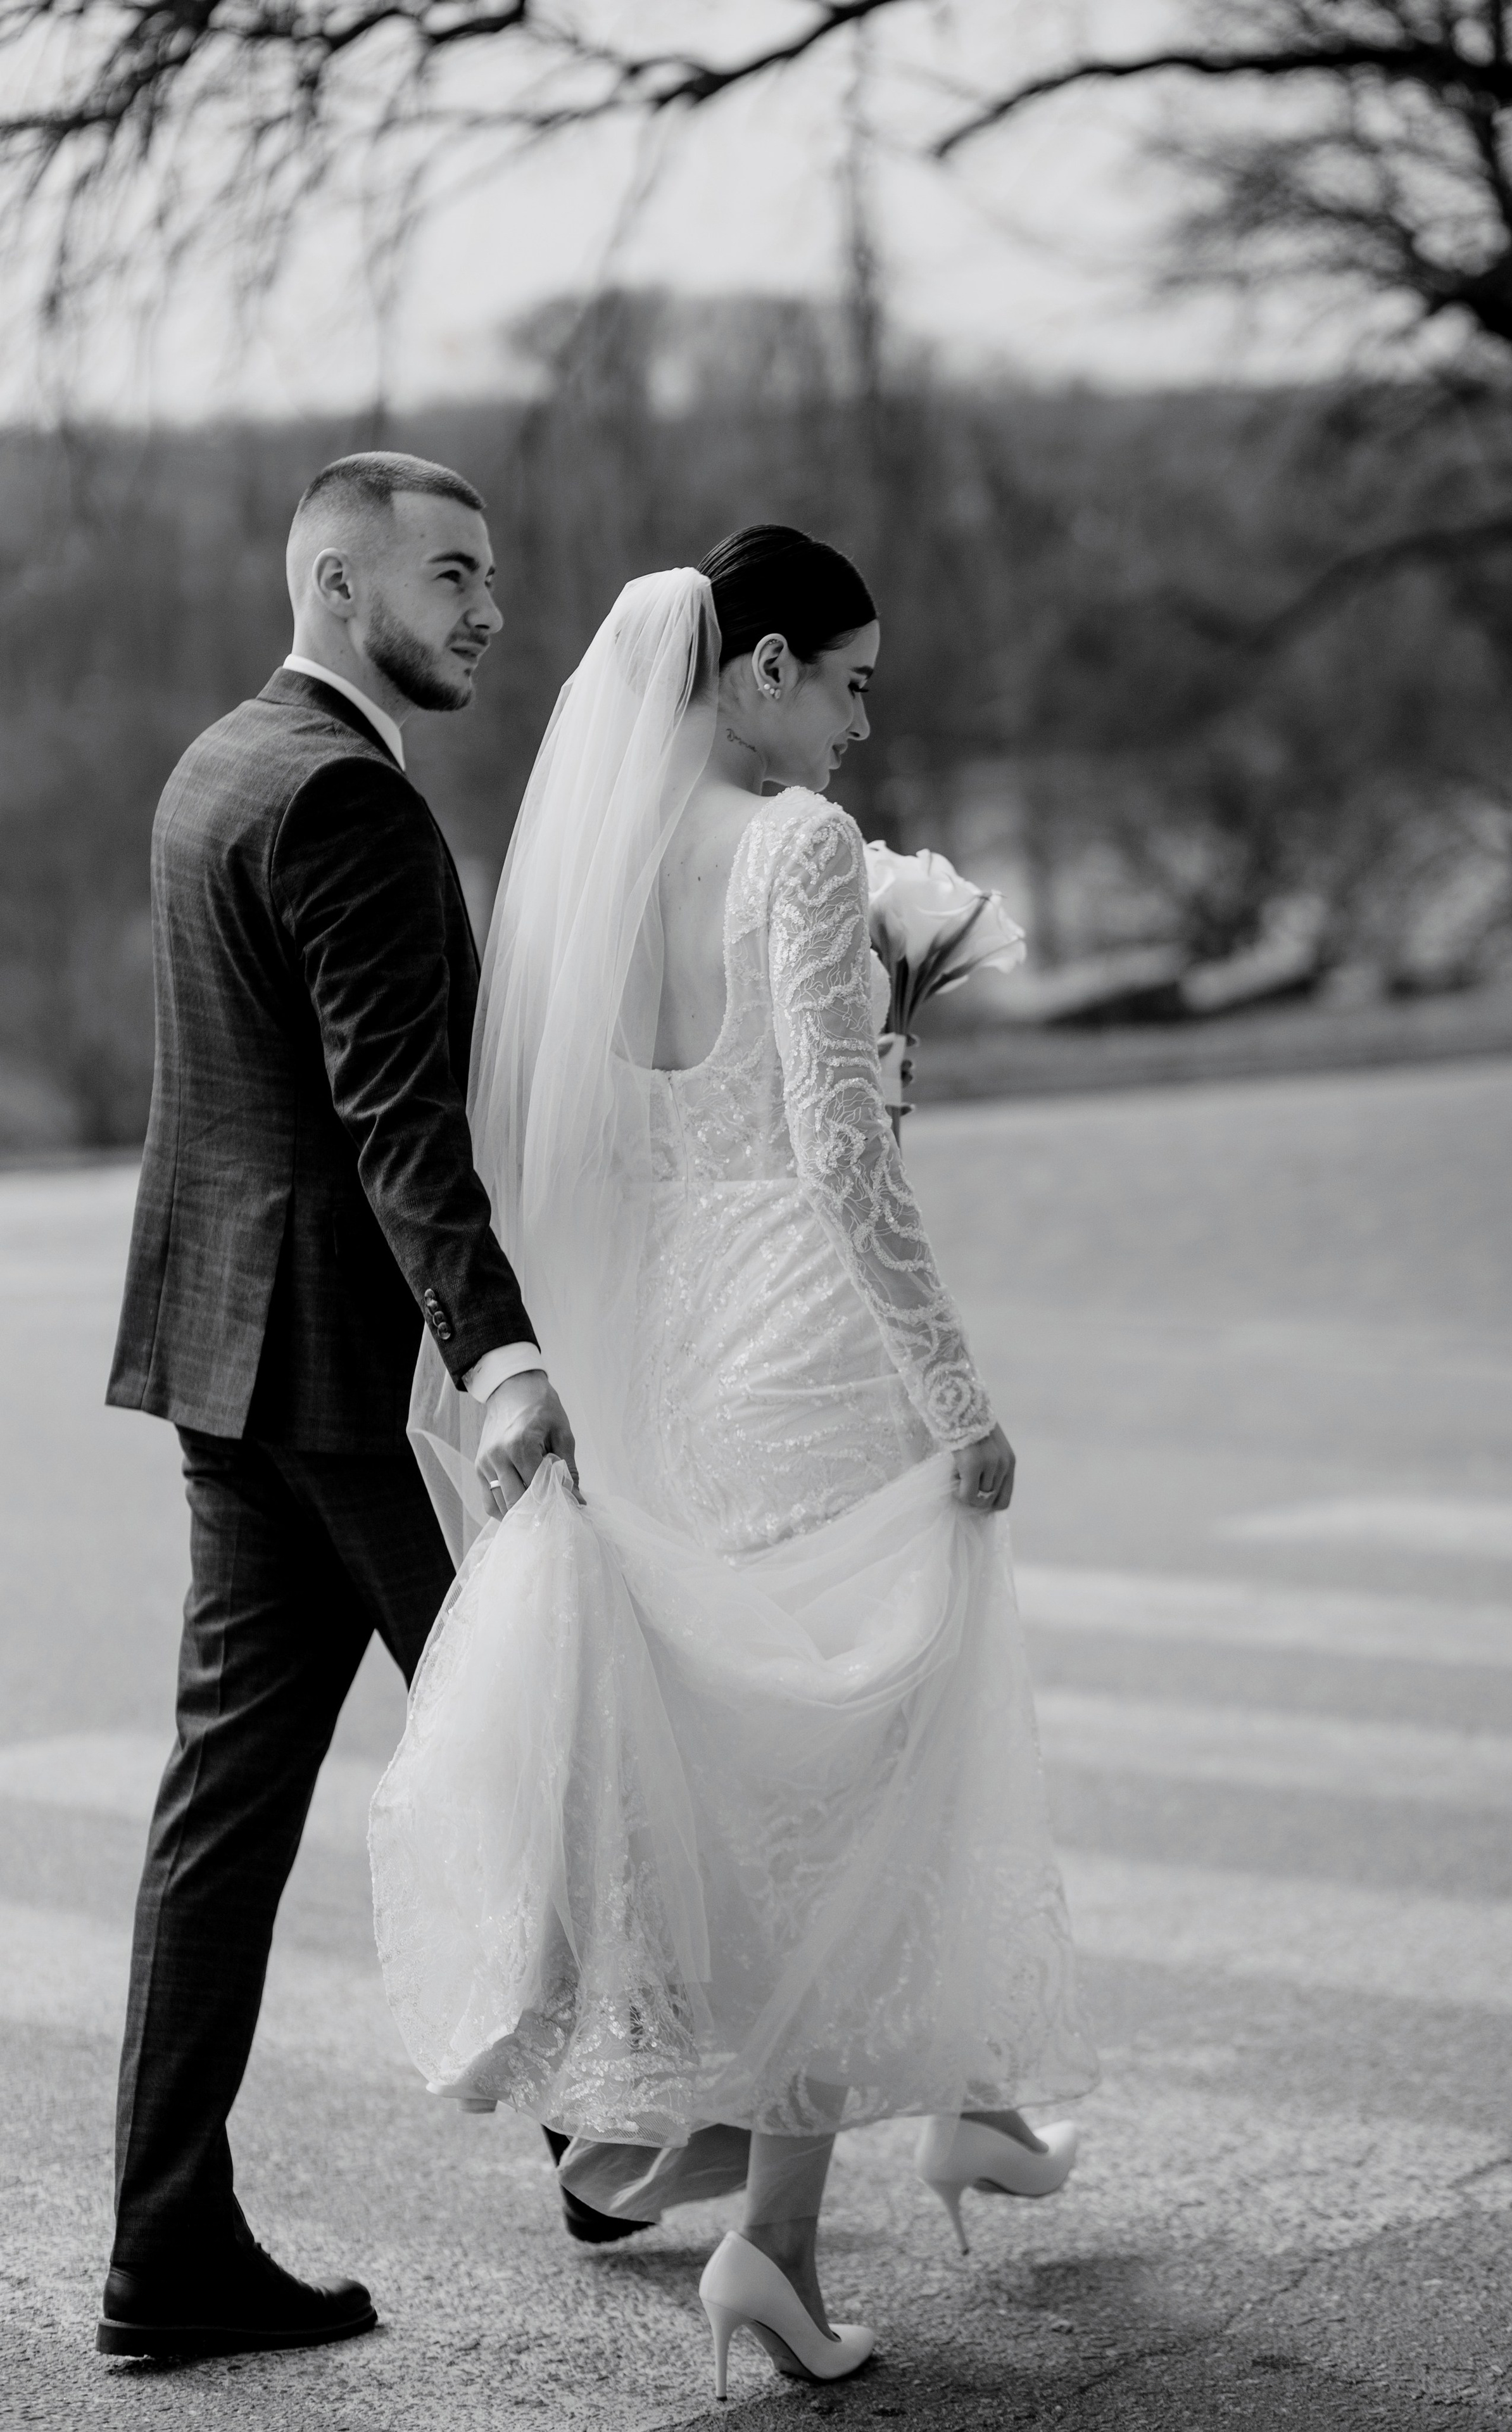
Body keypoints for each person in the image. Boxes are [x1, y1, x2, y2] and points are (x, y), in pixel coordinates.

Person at [373, 528, 1097, 2399]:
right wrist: (959, 1398)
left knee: (783, 1813)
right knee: (870, 1804)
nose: (862, 727)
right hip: (820, 1368)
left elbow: (593, 1151)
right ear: (761, 667)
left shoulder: (599, 869)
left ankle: (885, 2166)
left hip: (680, 1368)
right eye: (848, 683)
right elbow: (847, 1166)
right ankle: (785, 2235)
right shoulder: (792, 850)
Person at [99, 452, 578, 2359]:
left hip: (229, 1351)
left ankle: (163, 2253)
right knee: (528, 1735)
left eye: (488, 575)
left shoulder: (220, 763)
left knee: (227, 1803)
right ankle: (615, 2134)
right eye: (448, 575)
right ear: (332, 581)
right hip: (345, 1379)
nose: (484, 607)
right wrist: (506, 1352)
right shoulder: (348, 804)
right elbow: (395, 1125)